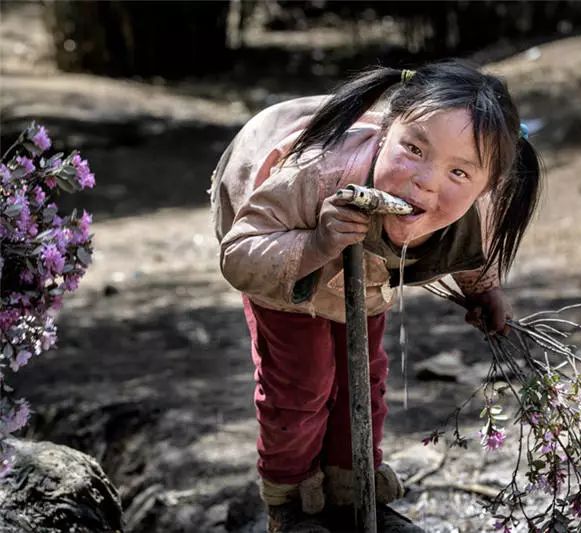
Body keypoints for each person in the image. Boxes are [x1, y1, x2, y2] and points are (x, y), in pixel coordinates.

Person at [211, 60, 543, 532]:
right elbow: (240, 256)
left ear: (485, 185)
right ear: (386, 131)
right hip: (285, 252)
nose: (426, 180)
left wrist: (484, 290)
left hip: (364, 274)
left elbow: (472, 246)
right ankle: (290, 502)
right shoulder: (312, 172)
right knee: (302, 383)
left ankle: (352, 493)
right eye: (413, 148)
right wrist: (316, 244)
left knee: (363, 379)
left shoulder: (474, 205)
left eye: (459, 173)